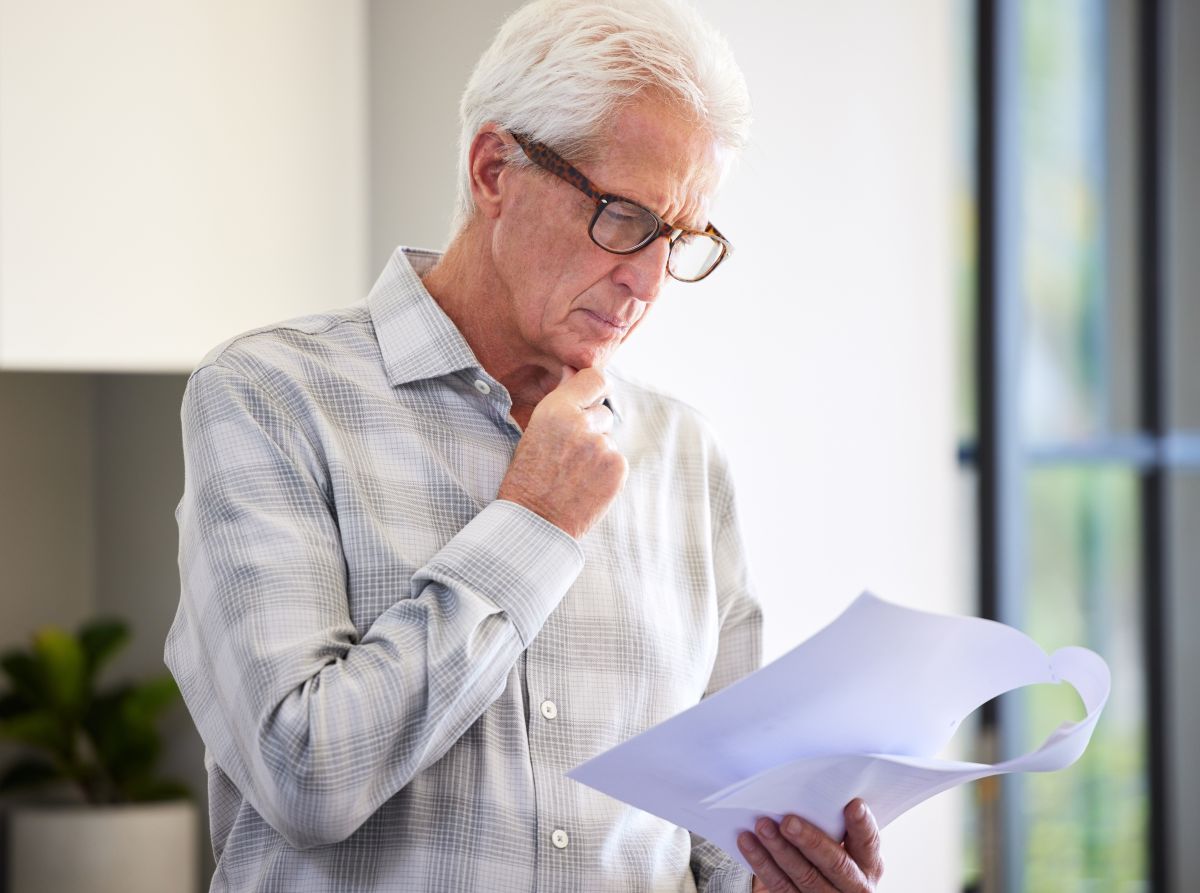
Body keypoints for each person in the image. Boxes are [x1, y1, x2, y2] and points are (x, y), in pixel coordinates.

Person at [165, 1, 884, 890]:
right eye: (623, 216)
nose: (650, 280)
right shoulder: (270, 396)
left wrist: (783, 867)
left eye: (681, 237)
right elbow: (305, 774)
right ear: (495, 167)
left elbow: (715, 843)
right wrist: (534, 522)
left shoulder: (685, 457)